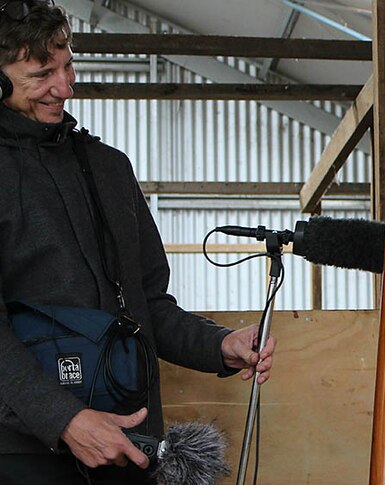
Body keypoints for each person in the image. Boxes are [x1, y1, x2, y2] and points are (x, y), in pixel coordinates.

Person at [0, 2, 276, 483]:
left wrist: (220, 345)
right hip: (22, 452)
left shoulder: (109, 167)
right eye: (41, 74)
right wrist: (63, 419)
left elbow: (148, 305)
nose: (64, 88)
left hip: (128, 443)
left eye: (67, 67)